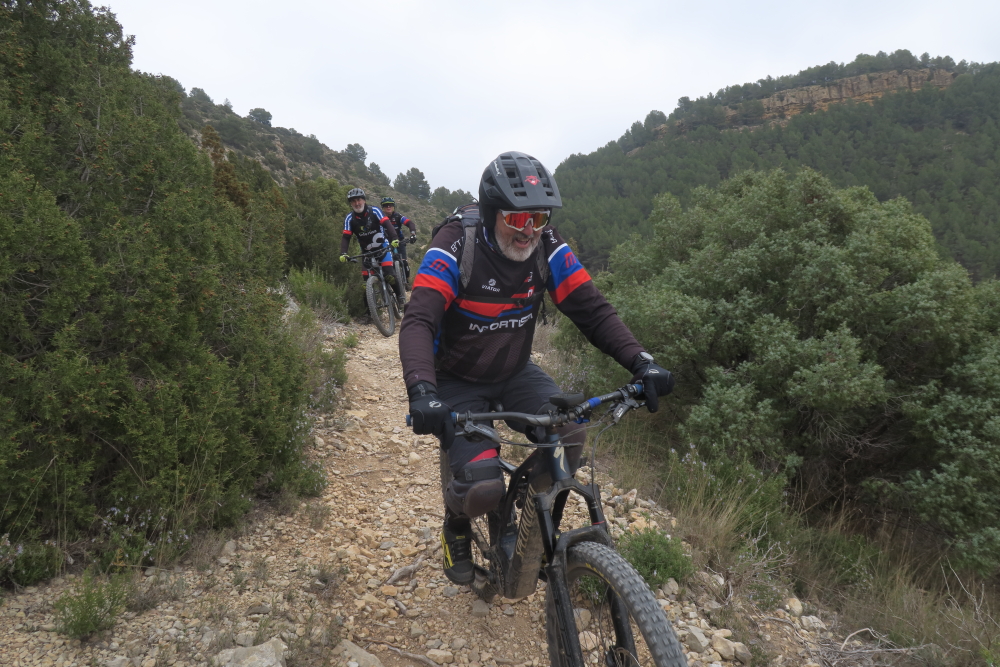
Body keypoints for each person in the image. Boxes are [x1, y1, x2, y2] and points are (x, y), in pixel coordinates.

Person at [398, 152, 674, 585]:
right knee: (482, 490)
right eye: (516, 218)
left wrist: (641, 362)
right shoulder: (456, 243)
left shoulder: (547, 245)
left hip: (513, 371)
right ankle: (456, 522)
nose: (528, 230)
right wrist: (422, 391)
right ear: (492, 212)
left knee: (570, 434)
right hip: (455, 379)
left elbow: (592, 309)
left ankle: (526, 517)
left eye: (539, 218)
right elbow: (419, 320)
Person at [339, 188, 405, 303]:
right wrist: (343, 253)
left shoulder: (375, 211)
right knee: (365, 285)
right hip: (366, 253)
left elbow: (387, 224)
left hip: (383, 248)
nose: (357, 203)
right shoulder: (349, 218)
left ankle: (400, 297)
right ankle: (369, 311)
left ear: (364, 200)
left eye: (359, 200)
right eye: (353, 201)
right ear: (351, 203)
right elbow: (346, 237)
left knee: (389, 275)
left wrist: (394, 238)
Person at [380, 197, 417, 281]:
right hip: (386, 244)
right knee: (387, 266)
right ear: (382, 207)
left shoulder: (398, 216)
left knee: (404, 262)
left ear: (394, 206)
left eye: (390, 205)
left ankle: (407, 282)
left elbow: (410, 223)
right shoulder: (380, 217)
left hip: (400, 241)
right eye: (386, 205)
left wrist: (413, 234)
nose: (388, 207)